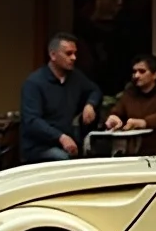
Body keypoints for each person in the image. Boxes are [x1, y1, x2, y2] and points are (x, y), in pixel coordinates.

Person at [20, 34, 102, 163]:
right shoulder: (34, 83)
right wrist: (60, 137)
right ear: (53, 55)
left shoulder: (75, 77)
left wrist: (90, 104)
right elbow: (32, 121)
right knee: (64, 159)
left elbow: (95, 90)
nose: (74, 58)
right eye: (68, 54)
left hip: (67, 142)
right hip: (39, 147)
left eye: (75, 53)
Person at [101, 54, 156, 154]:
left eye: (142, 71)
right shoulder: (129, 94)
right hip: (133, 152)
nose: (136, 75)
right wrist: (113, 117)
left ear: (155, 75)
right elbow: (117, 111)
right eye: (134, 72)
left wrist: (142, 122)